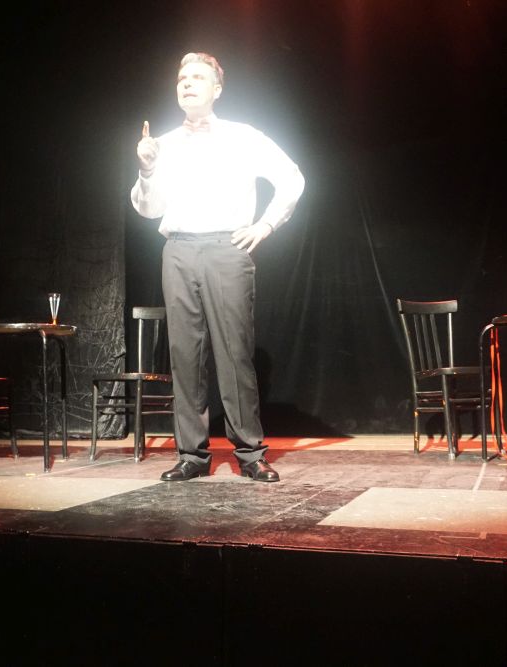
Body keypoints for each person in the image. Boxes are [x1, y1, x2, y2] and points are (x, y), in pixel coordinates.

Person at [131, 52, 304, 482]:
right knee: (184, 355)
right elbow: (149, 210)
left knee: (234, 353)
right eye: (182, 78)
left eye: (197, 77)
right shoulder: (163, 144)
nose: (187, 83)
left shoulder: (243, 136)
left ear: (217, 89)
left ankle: (250, 453)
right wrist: (147, 169)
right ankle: (191, 455)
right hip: (178, 249)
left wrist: (265, 225)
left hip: (227, 248)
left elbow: (293, 178)